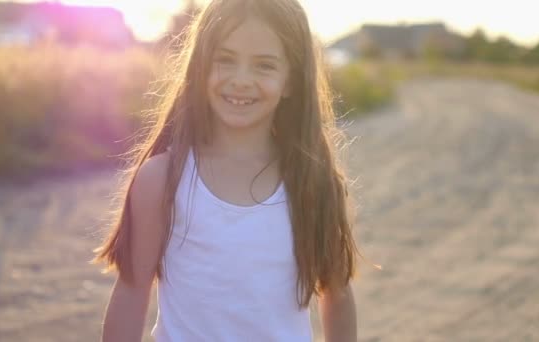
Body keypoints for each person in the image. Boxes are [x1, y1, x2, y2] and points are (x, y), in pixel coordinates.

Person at [93, 0, 360, 340]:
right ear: (200, 68)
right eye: (225, 60)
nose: (241, 80)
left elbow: (336, 293)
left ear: (291, 81)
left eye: (264, 66)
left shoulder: (312, 182)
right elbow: (131, 292)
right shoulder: (160, 179)